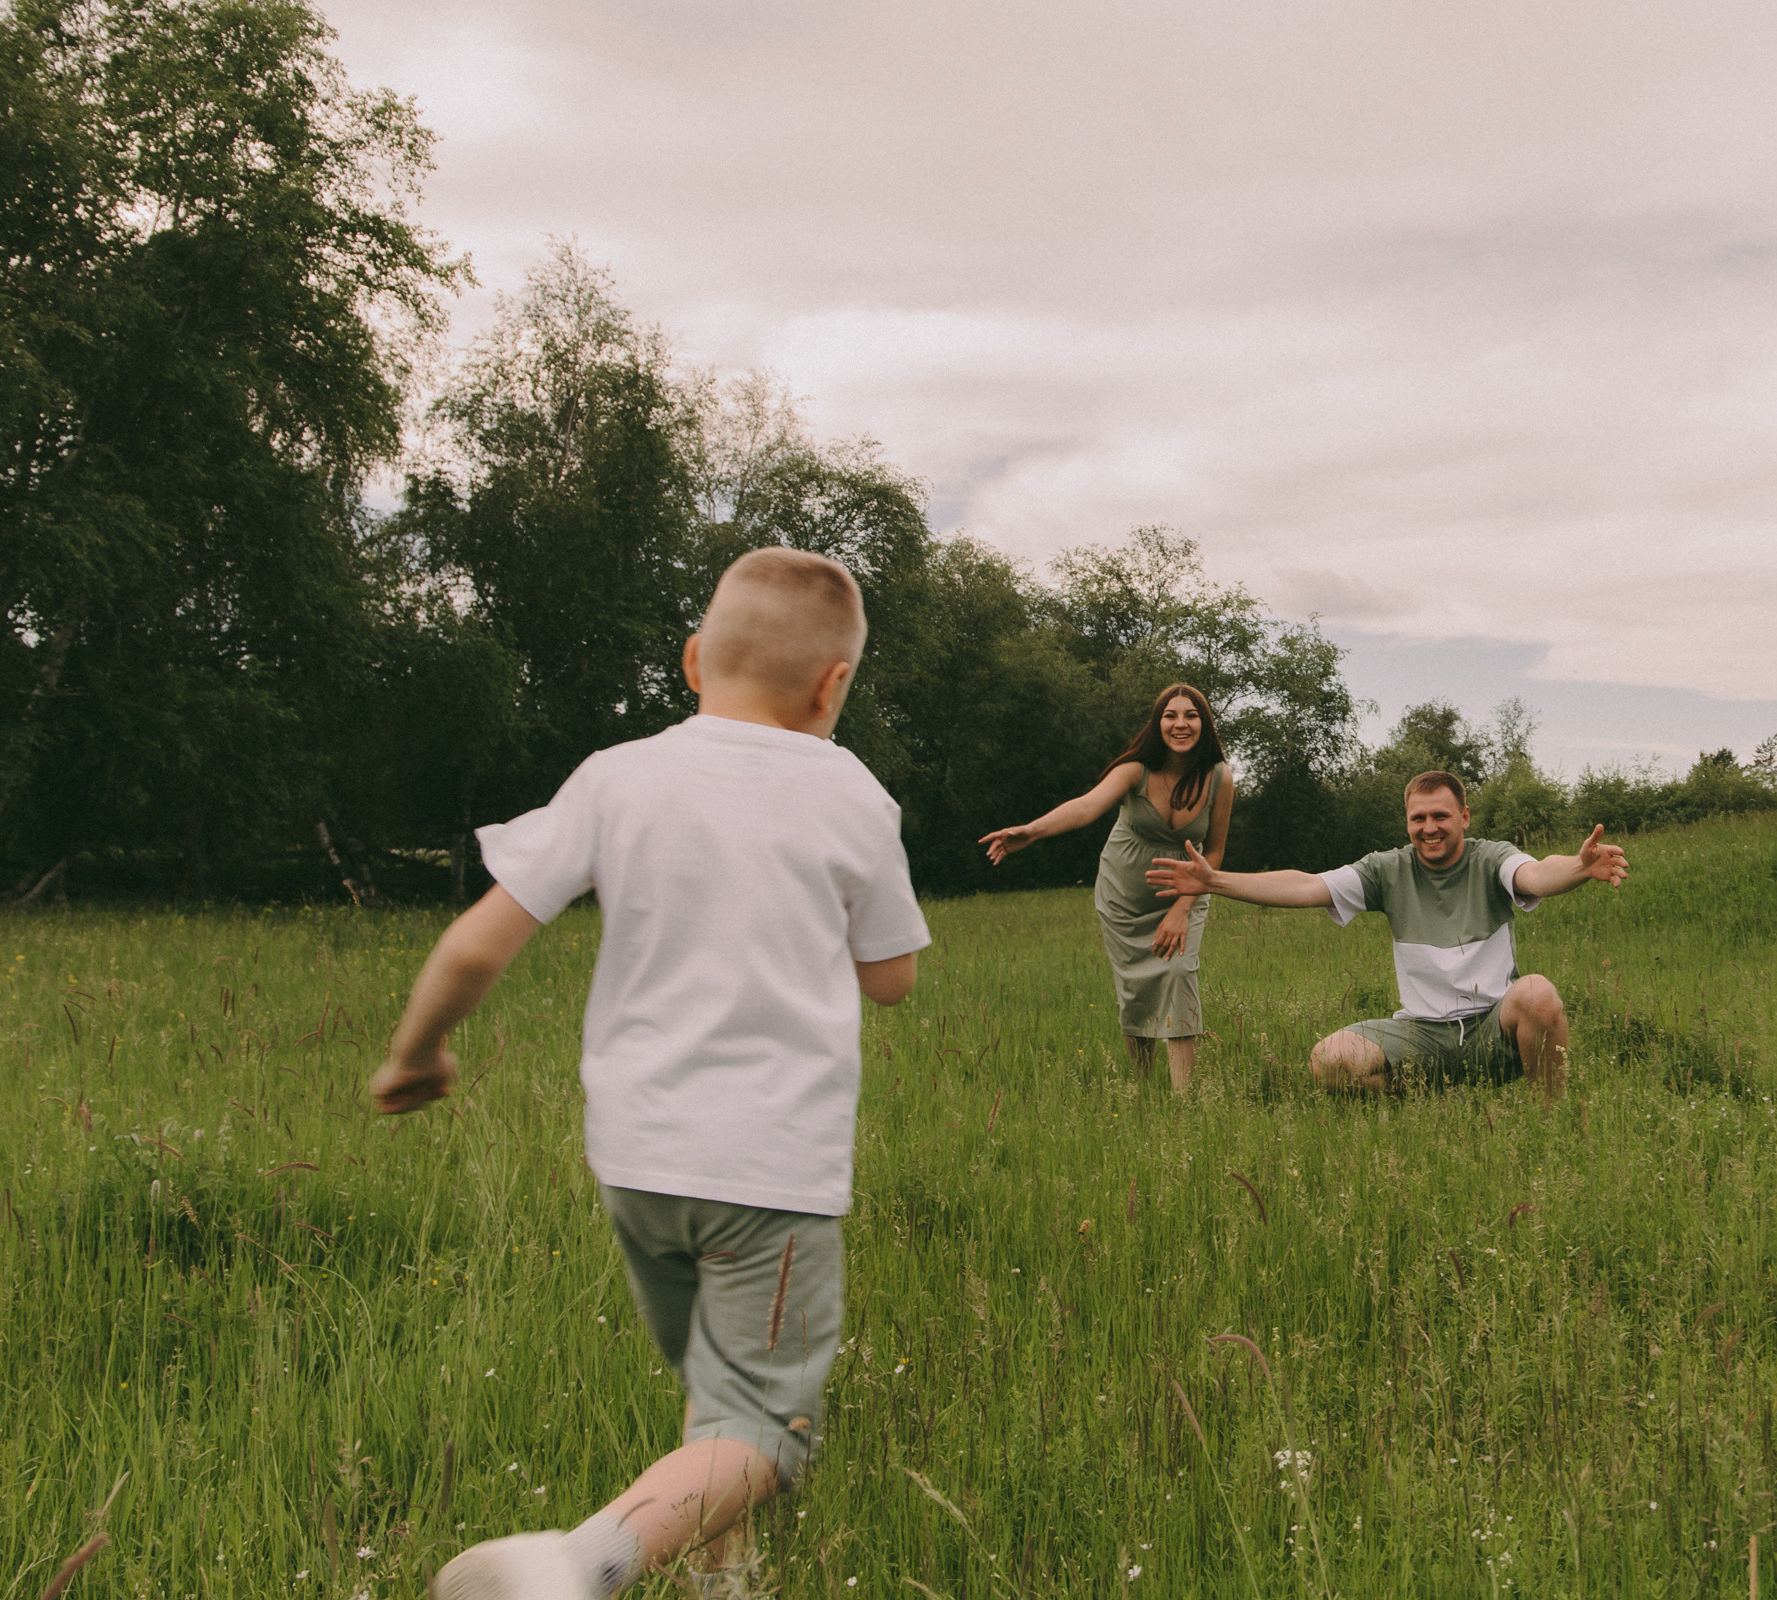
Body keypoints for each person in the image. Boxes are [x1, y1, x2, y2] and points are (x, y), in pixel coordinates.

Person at [368, 547, 931, 1600]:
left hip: (638, 1160)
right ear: (834, 684)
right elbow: (891, 978)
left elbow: (477, 945)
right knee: (768, 1425)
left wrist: (417, 1050)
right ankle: (581, 1562)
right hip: (771, 1171)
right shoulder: (853, 793)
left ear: (690, 661)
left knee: (715, 1392)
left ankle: (727, 1578)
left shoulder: (618, 773)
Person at [1147, 769, 1625, 1097]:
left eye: (1440, 816)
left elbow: (1538, 875)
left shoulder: (1490, 858)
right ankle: (1413, 1101)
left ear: (1464, 816)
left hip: (1490, 1029)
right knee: (1330, 1060)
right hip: (1422, 1033)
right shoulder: (1387, 870)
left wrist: (1580, 868)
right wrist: (1216, 881)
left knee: (1538, 993)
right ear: (1407, 822)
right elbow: (1307, 885)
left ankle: (1551, 1121)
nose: (1429, 828)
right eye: (1418, 818)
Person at [978, 683, 1233, 1092]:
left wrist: (1181, 909)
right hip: (1123, 899)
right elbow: (1087, 805)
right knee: (1136, 989)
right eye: (1171, 715)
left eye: (1191, 715)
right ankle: (1144, 1087)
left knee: (1179, 973)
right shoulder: (1136, 770)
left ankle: (1187, 1108)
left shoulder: (1219, 779)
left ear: (1205, 723)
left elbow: (1215, 853)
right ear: (1158, 723)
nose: (1180, 724)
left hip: (1183, 894)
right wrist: (1032, 831)